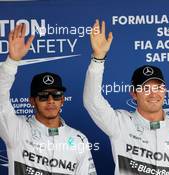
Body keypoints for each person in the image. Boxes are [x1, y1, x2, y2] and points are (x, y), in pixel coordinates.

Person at [83, 20, 169, 175]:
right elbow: (92, 101)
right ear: (133, 94)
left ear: (165, 90)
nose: (153, 94)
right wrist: (98, 59)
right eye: (145, 88)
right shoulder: (120, 123)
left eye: (158, 87)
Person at [0, 23, 97, 175]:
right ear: (32, 101)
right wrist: (11, 62)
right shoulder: (16, 130)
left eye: (56, 95)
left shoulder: (78, 139)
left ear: (62, 100)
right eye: (43, 96)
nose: (51, 100)